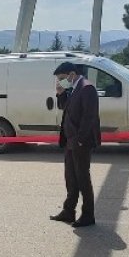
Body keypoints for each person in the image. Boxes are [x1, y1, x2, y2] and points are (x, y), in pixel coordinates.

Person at [49, 62, 101, 228]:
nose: (60, 81)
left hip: (80, 142)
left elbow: (89, 117)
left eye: (62, 78)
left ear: (72, 74)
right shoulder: (73, 88)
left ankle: (88, 215)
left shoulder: (87, 88)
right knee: (71, 177)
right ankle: (68, 211)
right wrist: (60, 94)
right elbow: (67, 109)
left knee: (82, 178)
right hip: (70, 141)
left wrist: (80, 139)